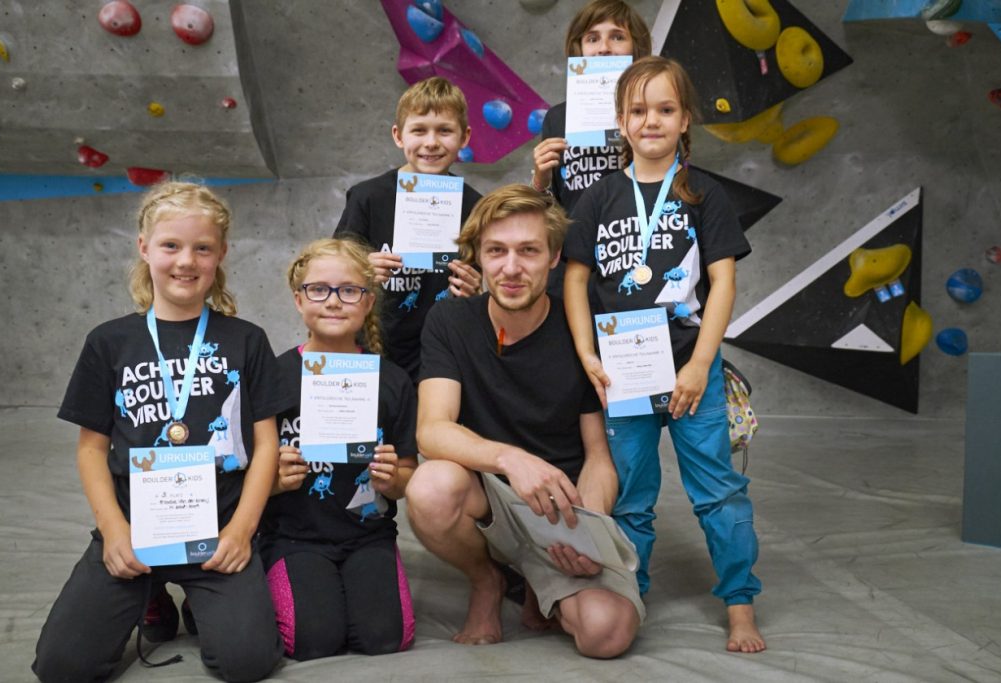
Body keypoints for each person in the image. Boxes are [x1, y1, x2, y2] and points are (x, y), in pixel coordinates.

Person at [33, 182, 284, 681]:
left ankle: (199, 601)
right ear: (144, 248)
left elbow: (266, 443)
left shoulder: (246, 340)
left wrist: (241, 531)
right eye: (171, 245)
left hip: (218, 530)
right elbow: (91, 449)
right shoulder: (109, 342)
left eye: (202, 248)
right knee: (62, 668)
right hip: (135, 529)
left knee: (248, 663)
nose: (185, 261)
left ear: (221, 255)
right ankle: (151, 598)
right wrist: (113, 532)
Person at [562, 55, 766, 653]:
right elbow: (576, 280)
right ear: (620, 121)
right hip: (620, 376)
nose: (651, 120)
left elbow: (723, 283)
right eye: (638, 110)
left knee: (720, 494)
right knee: (631, 497)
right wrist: (585, 353)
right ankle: (632, 594)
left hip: (689, 374)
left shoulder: (705, 193)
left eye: (665, 109)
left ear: (684, 120)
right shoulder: (598, 197)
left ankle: (740, 604)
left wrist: (702, 363)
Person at [406, 184, 643, 659]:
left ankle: (543, 579)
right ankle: (488, 582)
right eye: (496, 251)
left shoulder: (582, 329)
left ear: (554, 257)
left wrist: (585, 535)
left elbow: (598, 455)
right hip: (491, 496)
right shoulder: (449, 320)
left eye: (528, 251)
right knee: (430, 486)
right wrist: (510, 459)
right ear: (477, 256)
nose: (511, 268)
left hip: (563, 503)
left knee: (606, 634)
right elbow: (432, 429)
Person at [258, 238, 418, 661]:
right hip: (294, 536)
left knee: (386, 638)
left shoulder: (394, 382)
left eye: (349, 290)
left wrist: (393, 479)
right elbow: (245, 473)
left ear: (368, 302)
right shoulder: (272, 376)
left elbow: (407, 478)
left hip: (368, 536)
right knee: (310, 641)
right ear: (298, 299)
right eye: (319, 289)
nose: (333, 301)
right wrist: (271, 481)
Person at [336, 76, 483, 382]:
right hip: (371, 350)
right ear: (398, 136)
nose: (431, 142)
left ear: (465, 137)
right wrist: (360, 273)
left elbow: (484, 287)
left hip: (443, 353)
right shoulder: (367, 198)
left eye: (445, 131)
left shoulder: (476, 207)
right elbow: (330, 274)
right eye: (419, 130)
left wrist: (475, 290)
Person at [531, 0, 652, 295]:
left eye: (618, 37)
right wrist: (540, 180)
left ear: (637, 49)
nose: (604, 48)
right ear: (579, 49)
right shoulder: (558, 118)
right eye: (592, 38)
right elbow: (551, 209)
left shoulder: (654, 114)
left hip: (638, 257)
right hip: (575, 263)